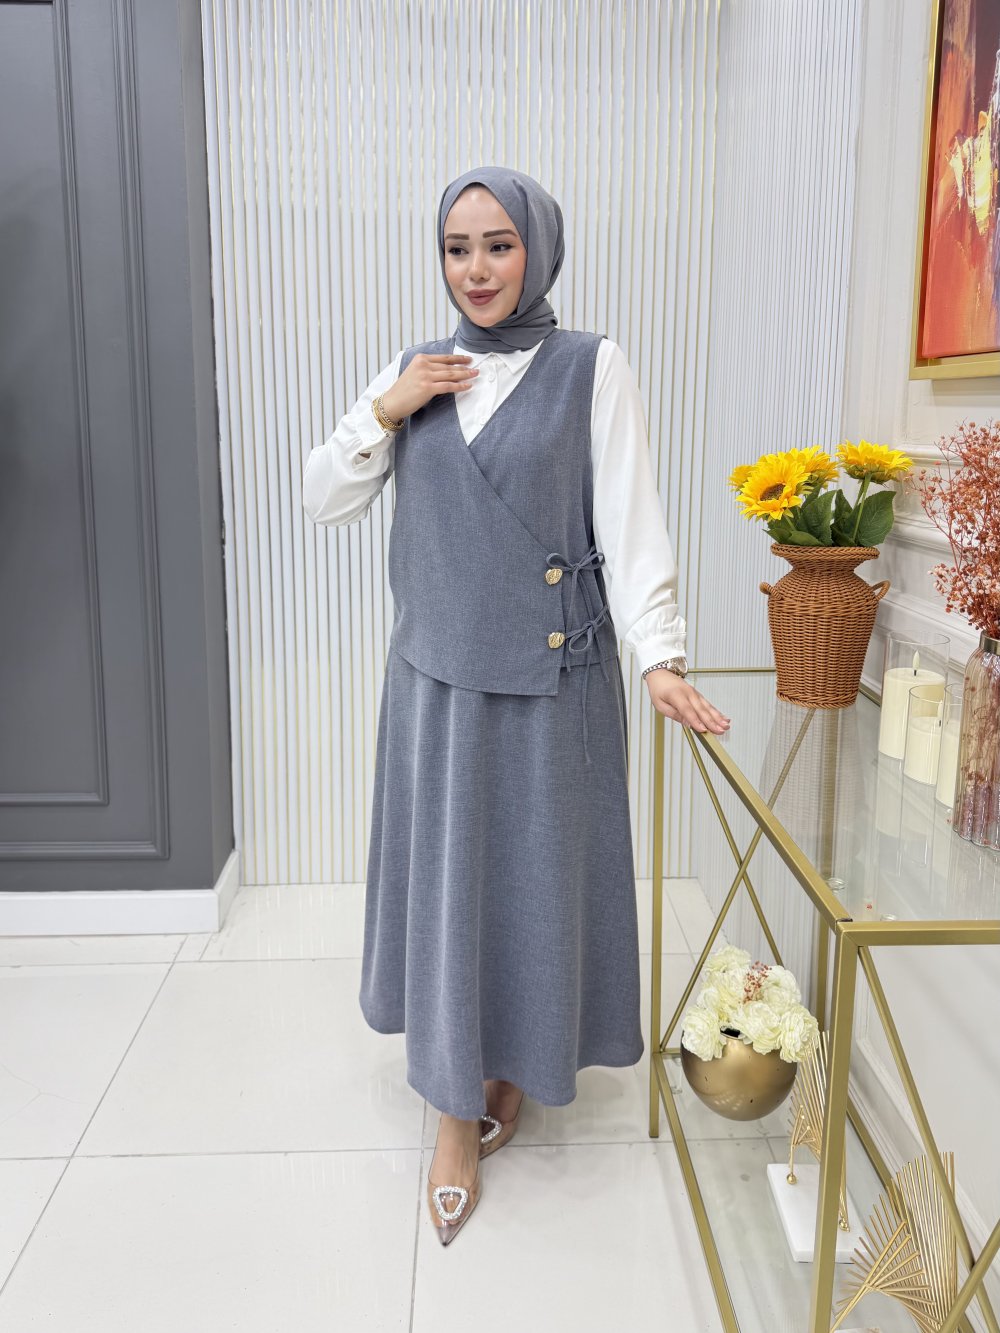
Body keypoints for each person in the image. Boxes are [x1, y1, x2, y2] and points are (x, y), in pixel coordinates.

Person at [302, 165, 730, 1246]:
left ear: (537, 248)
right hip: (437, 688)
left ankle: (511, 1065)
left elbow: (630, 521)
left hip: (553, 687)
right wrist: (387, 410)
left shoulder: (592, 366)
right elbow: (324, 497)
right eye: (457, 248)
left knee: (529, 893)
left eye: (498, 244)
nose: (477, 269)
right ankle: (455, 1113)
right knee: (453, 896)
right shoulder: (415, 371)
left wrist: (661, 655)